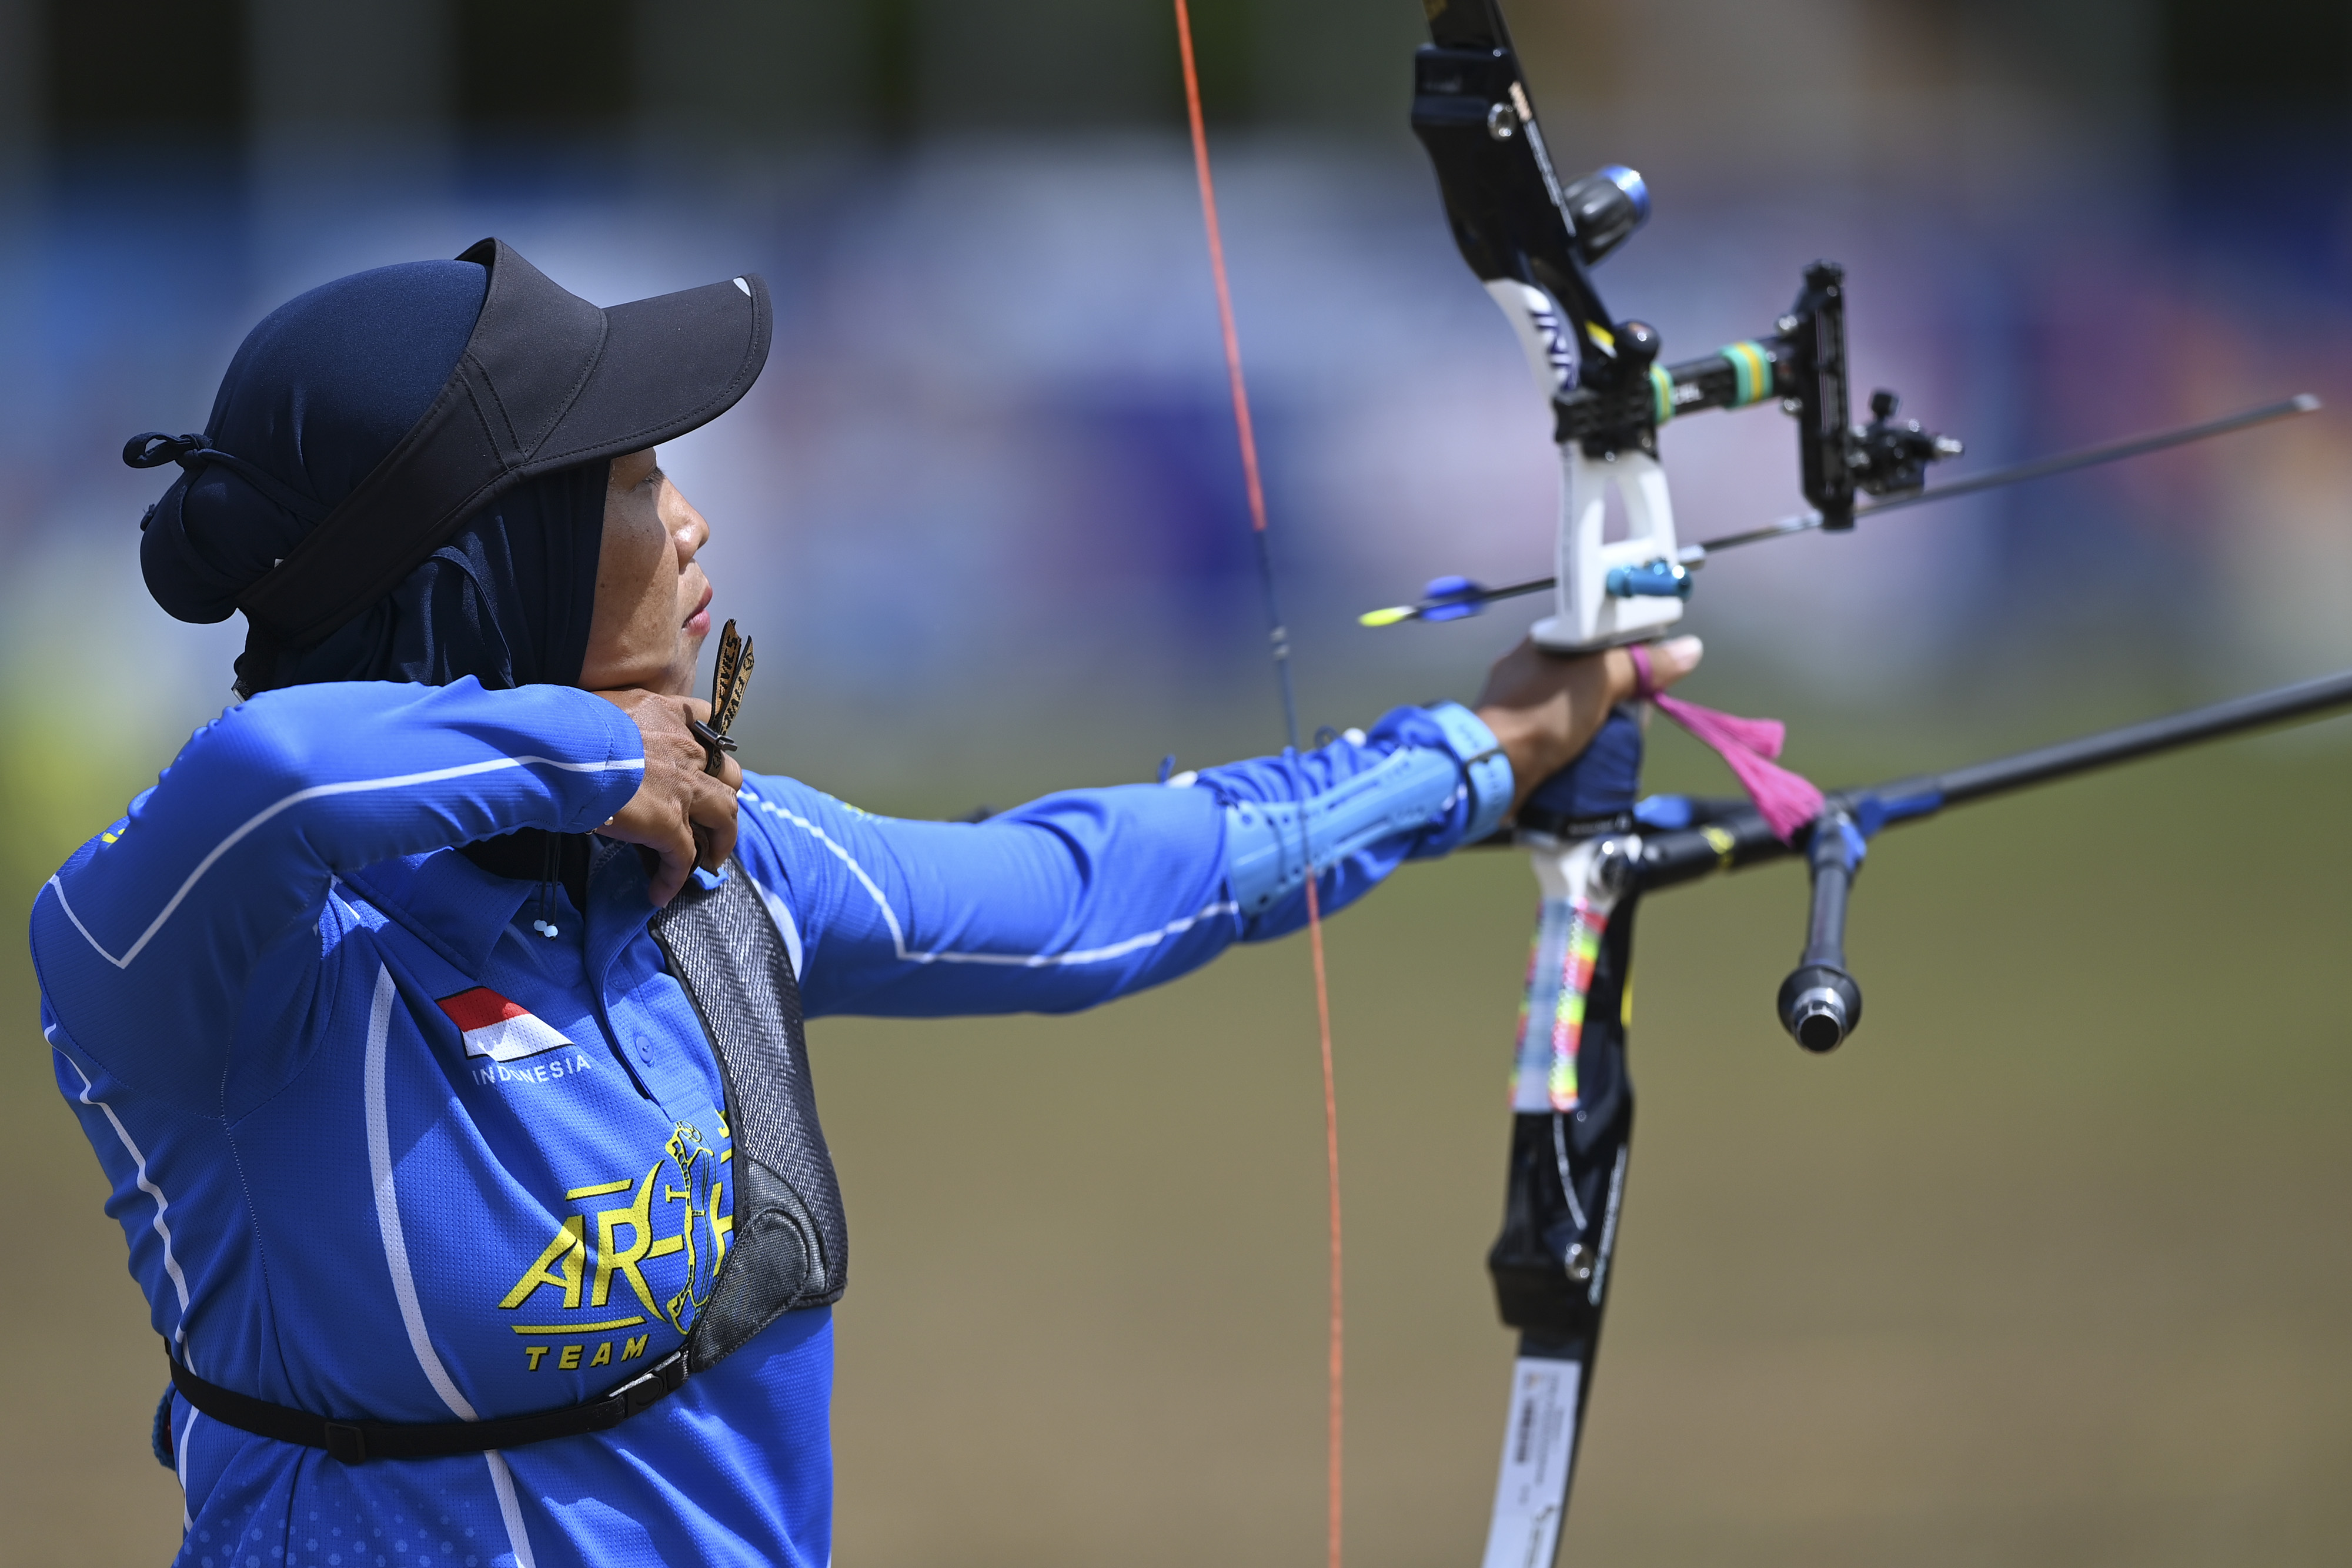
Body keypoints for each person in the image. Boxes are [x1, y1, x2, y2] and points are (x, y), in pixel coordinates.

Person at [31, 240, 1700, 1568]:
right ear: (480, 562)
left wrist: (1485, 746)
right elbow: (273, 773)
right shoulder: (223, 963)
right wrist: (576, 747)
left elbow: (1091, 885)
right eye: (624, 484)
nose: (691, 523)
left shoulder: (708, 871)